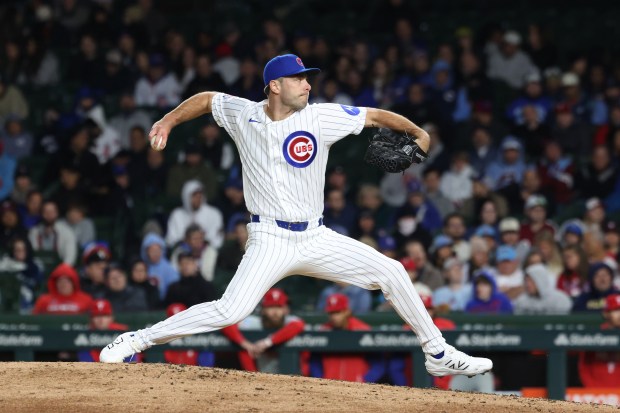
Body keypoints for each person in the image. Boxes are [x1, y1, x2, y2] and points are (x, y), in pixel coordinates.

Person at [100, 53, 492, 379]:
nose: (307, 84)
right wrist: (167, 121)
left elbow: (374, 116)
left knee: (392, 272)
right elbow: (205, 98)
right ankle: (134, 341)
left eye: (308, 79)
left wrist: (418, 133)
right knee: (229, 310)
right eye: (298, 79)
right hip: (268, 239)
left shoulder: (321, 117)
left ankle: (437, 352)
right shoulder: (244, 114)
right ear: (274, 86)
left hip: (315, 237)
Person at [221, 289, 305, 373]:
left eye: (279, 307)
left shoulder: (289, 320)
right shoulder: (255, 322)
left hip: (290, 377)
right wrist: (245, 344)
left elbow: (299, 324)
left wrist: (267, 342)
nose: (275, 312)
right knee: (244, 351)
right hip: (262, 374)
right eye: (271, 307)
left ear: (285, 309)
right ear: (263, 309)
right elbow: (228, 323)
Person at [309, 293, 382, 382]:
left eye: (338, 312)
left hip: (356, 388)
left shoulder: (362, 330)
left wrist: (365, 381)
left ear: (347, 311)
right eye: (331, 313)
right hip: (330, 387)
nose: (334, 317)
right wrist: (321, 380)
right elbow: (314, 362)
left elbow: (378, 364)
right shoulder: (323, 331)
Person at [578, 294, 620, 387]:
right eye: (616, 310)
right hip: (597, 394)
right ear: (606, 313)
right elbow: (584, 367)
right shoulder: (595, 335)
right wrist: (593, 392)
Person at [77, 299, 134, 363]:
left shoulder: (122, 331)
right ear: (91, 319)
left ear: (112, 317)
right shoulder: (85, 334)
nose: (101, 320)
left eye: (105, 315)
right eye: (97, 316)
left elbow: (133, 360)